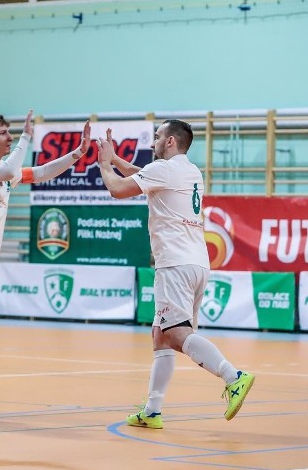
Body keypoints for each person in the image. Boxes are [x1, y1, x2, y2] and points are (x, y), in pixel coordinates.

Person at [97, 119, 254, 429]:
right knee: (160, 335)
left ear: (170, 142)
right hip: (197, 263)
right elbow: (144, 177)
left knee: (176, 334)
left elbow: (117, 189)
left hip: (174, 264)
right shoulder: (190, 171)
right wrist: (116, 160)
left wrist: (104, 165)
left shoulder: (163, 170)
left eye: (157, 137)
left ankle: (233, 376)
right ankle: (152, 411)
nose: (153, 142)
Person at [0, 110, 90, 423]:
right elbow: (12, 166)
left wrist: (77, 153)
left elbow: (40, 172)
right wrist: (27, 136)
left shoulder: (2, 171)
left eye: (12, 133)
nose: (10, 138)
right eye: (3, 133)